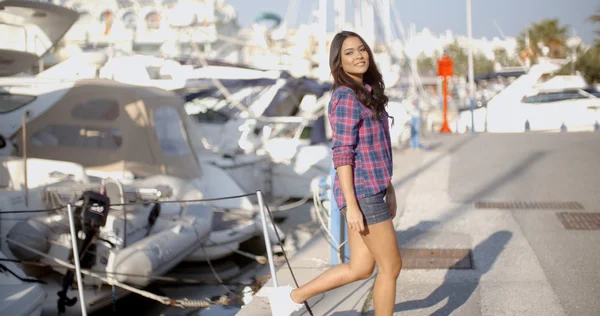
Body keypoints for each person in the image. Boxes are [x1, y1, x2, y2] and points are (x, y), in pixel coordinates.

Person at [268, 31, 402, 316]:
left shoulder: (367, 92)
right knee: (391, 268)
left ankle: (290, 298)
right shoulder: (345, 96)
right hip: (362, 194)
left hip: (374, 188)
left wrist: (388, 188)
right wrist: (352, 205)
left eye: (362, 49)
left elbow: (376, 151)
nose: (359, 56)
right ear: (338, 63)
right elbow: (342, 153)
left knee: (361, 268)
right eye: (349, 53)